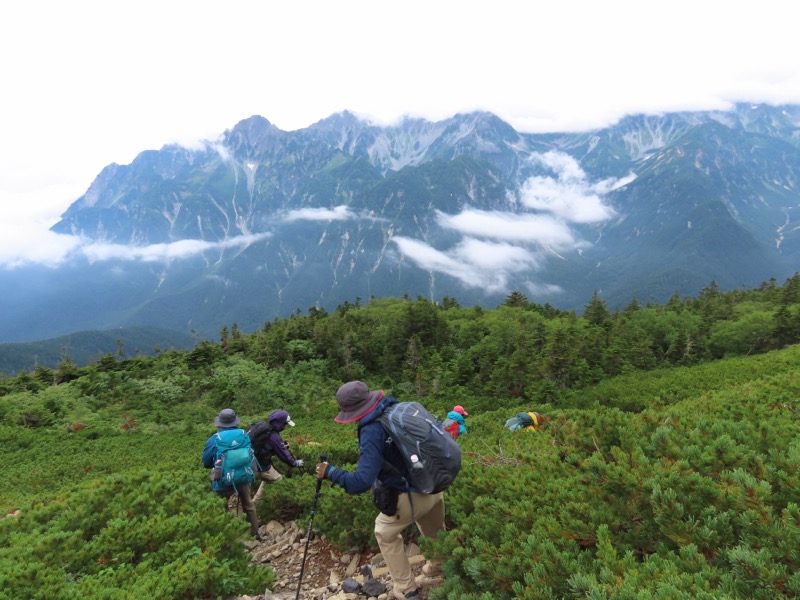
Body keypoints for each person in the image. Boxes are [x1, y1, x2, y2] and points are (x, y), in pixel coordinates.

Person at [315, 381, 445, 600]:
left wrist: (330, 472)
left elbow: (361, 482)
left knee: (384, 532)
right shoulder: (396, 409)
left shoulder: (371, 430)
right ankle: (438, 568)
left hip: (411, 496)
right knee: (433, 528)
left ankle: (406, 587)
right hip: (434, 486)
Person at [201, 408, 261, 540]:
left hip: (223, 479)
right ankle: (255, 533)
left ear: (219, 423)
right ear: (235, 422)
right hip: (244, 475)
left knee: (222, 507)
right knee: (248, 504)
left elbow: (206, 462)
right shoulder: (244, 434)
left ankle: (227, 538)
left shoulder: (214, 439)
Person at [251, 410, 304, 502]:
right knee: (280, 481)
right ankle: (256, 504)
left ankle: (253, 503)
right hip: (261, 465)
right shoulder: (273, 436)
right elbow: (284, 456)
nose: (285, 426)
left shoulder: (262, 429)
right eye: (285, 424)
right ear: (279, 423)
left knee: (268, 479)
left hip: (250, 462)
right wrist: (295, 463)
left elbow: (265, 447)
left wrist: (281, 446)